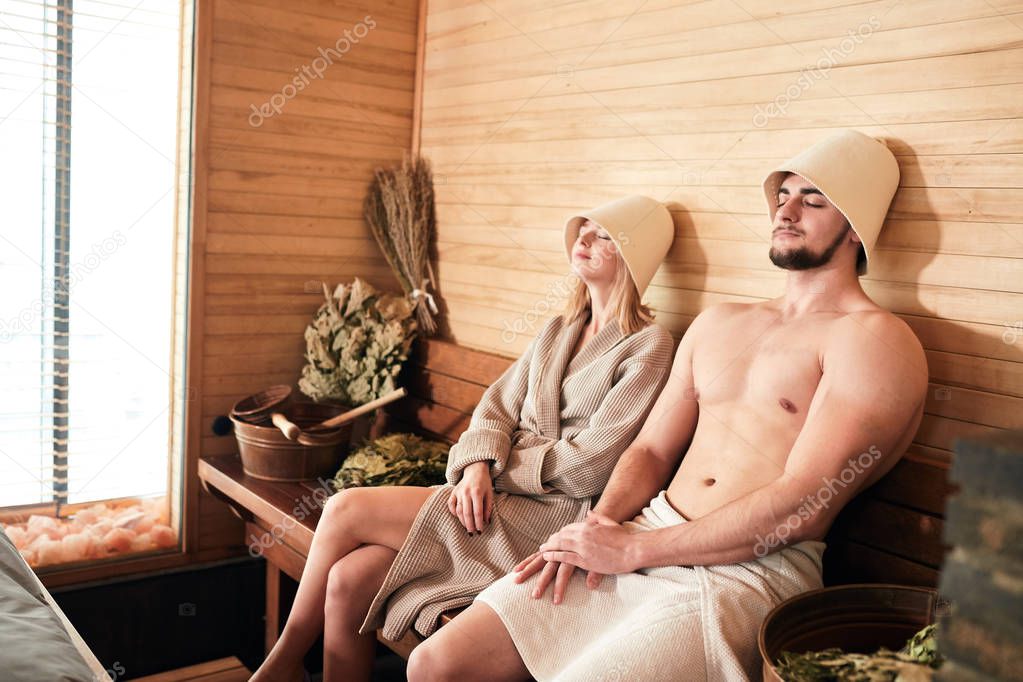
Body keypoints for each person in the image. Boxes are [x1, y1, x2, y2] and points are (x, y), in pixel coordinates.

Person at [408, 130, 930, 681]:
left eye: (814, 200)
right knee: (436, 663)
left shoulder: (876, 342)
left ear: (855, 226)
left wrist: (637, 551)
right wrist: (601, 528)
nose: (787, 210)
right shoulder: (720, 323)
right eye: (783, 196)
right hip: (643, 529)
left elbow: (804, 506)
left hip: (749, 571)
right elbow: (653, 449)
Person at [250, 194, 678, 682]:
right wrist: (475, 466)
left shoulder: (649, 345)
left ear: (633, 256)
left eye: (603, 235)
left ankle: (283, 662)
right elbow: (493, 409)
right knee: (348, 579)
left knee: (342, 508)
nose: (583, 239)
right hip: (493, 496)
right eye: (583, 228)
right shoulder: (558, 329)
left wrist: (496, 467)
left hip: (550, 516)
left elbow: (590, 466)